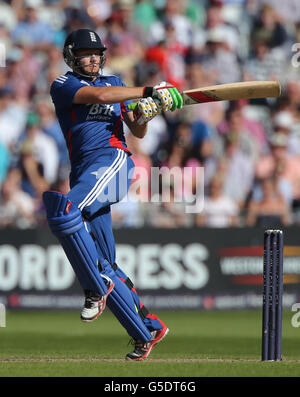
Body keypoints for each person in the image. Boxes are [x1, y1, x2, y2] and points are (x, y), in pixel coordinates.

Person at [44, 28, 183, 361]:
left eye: (96, 53)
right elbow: (101, 98)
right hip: (85, 173)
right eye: (85, 54)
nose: (92, 59)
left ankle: (94, 288)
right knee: (105, 262)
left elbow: (135, 126)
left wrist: (149, 110)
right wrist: (151, 89)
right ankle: (146, 328)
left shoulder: (117, 82)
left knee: (64, 211)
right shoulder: (63, 85)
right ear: (71, 57)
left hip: (112, 161)